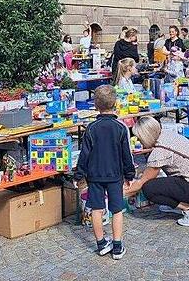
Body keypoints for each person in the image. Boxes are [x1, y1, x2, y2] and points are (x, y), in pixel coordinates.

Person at [74, 85, 134, 260]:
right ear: (115, 103)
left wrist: (78, 176)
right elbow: (126, 155)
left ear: (95, 105)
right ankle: (117, 246)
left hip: (94, 176)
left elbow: (84, 155)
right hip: (115, 175)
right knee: (116, 210)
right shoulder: (121, 128)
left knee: (97, 209)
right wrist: (129, 175)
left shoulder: (91, 128)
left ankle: (101, 244)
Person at [125, 117, 189, 227]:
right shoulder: (166, 135)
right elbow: (167, 149)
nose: (139, 141)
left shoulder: (158, 154)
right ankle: (176, 203)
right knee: (161, 183)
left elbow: (143, 181)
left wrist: (121, 193)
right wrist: (146, 150)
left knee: (149, 188)